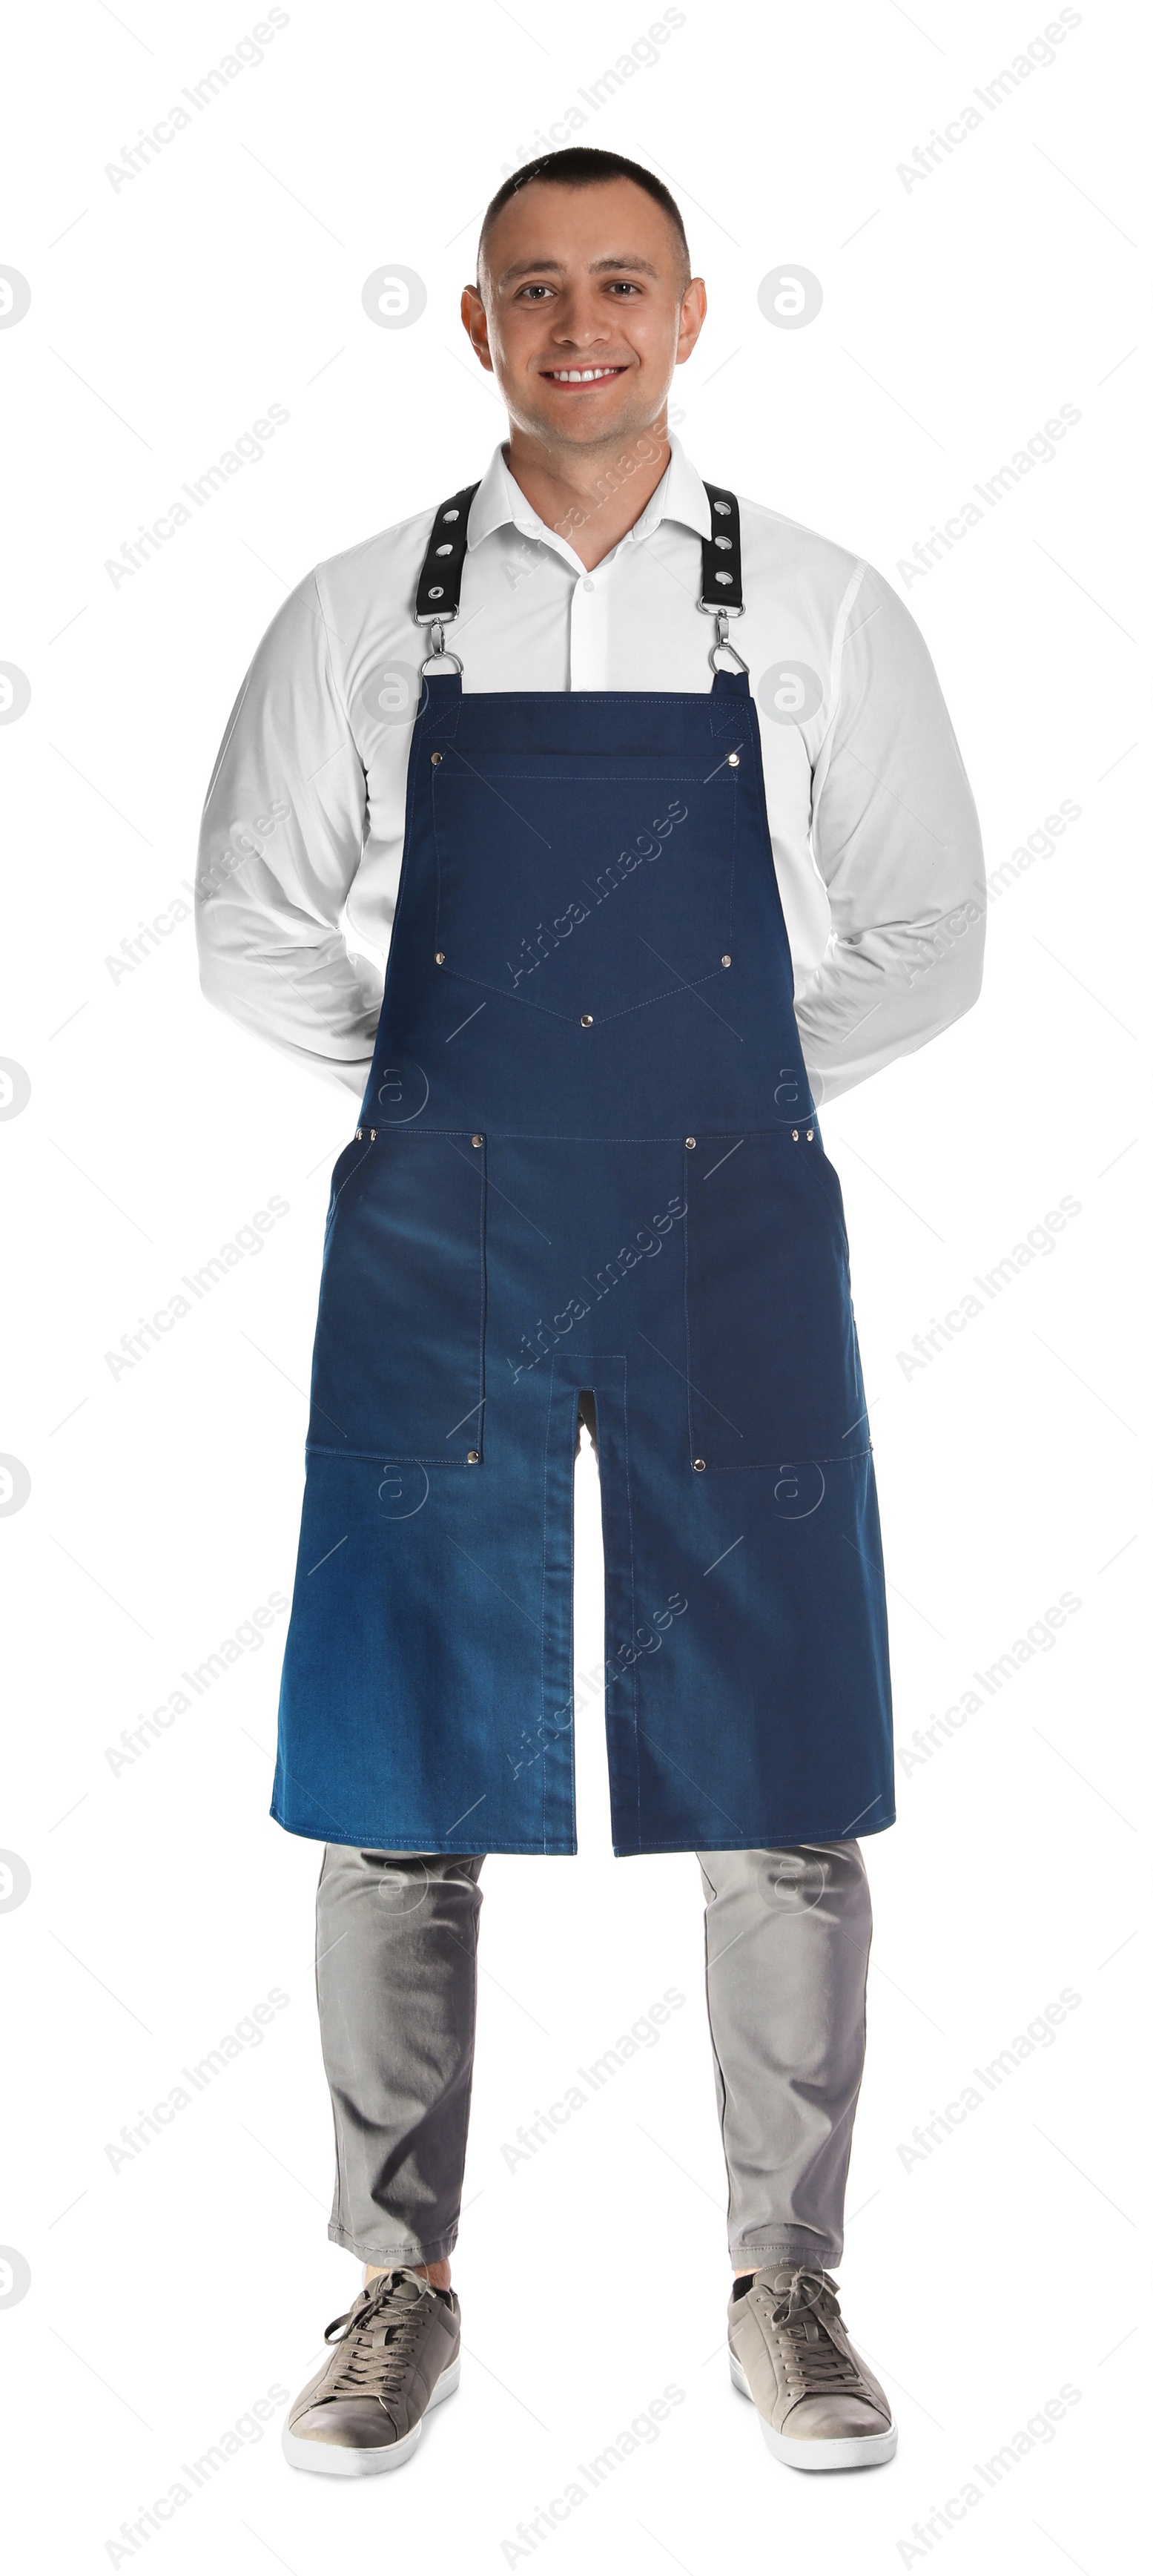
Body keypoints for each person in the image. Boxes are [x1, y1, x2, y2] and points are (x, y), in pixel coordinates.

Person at [196, 145, 983, 2480]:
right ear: (473, 325)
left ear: (690, 313)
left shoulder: (813, 608)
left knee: (780, 1751)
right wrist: (462, 1080)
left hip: (735, 1216)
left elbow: (926, 938)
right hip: (438, 1227)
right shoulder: (367, 610)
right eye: (534, 289)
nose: (578, 326)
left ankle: (788, 2279)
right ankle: (390, 2284)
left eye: (618, 284)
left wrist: (714, 1096)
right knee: (394, 1751)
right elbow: (251, 921)